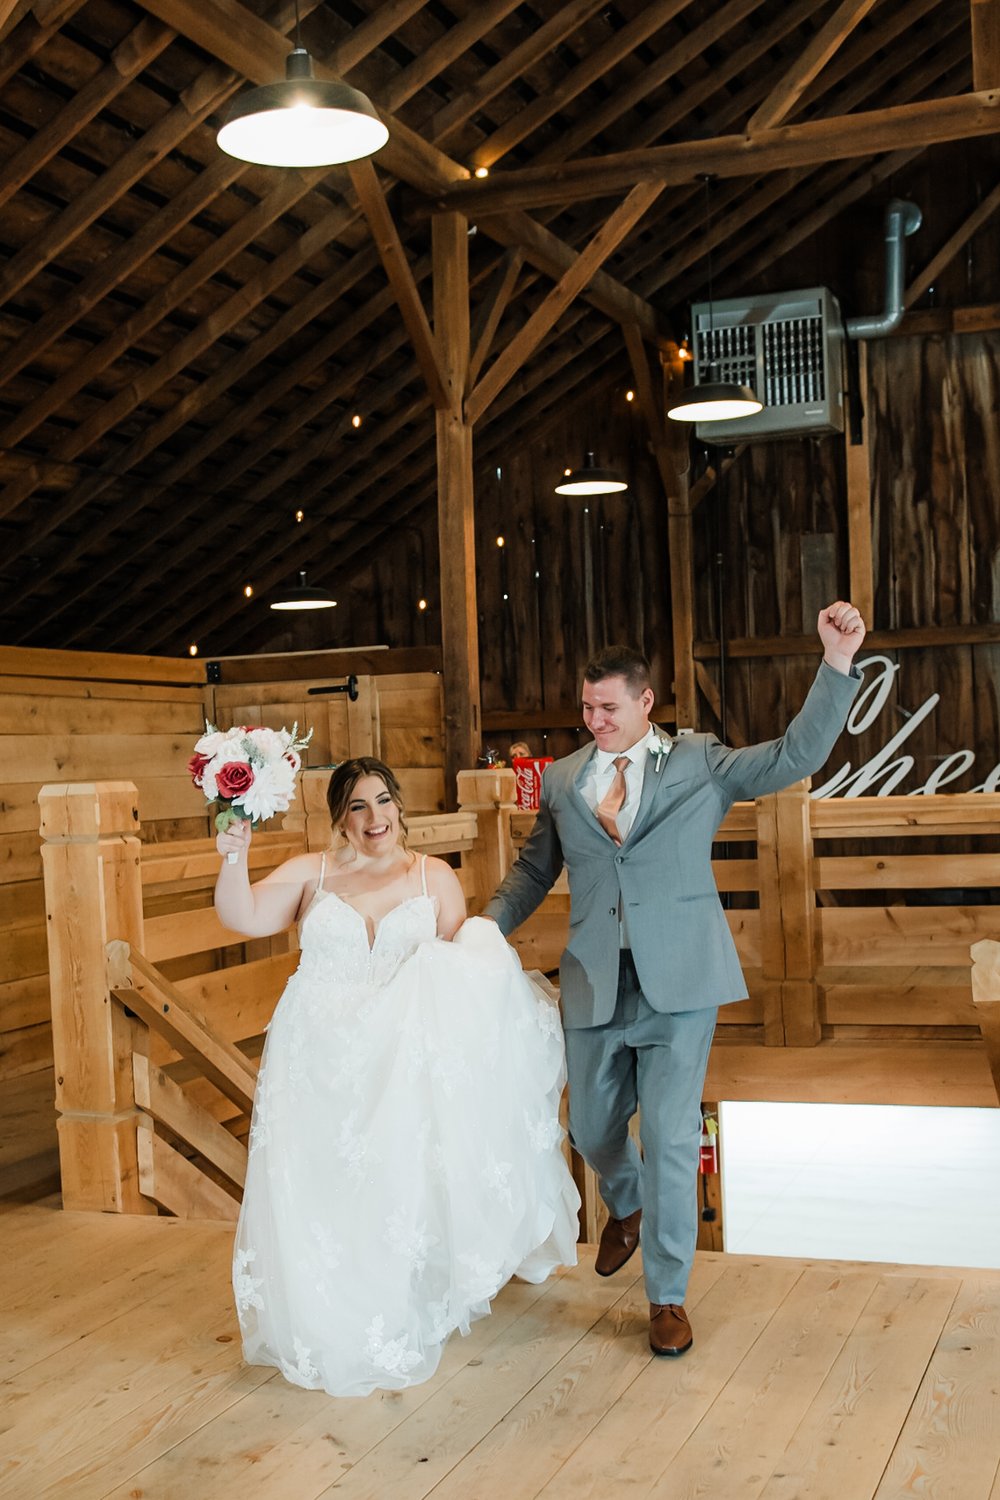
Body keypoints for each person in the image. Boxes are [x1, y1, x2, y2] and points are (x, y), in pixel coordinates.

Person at [483, 602, 867, 1358]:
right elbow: (534, 869)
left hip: (682, 981)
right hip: (595, 981)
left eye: (608, 707)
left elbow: (795, 753)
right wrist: (481, 927)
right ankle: (622, 1203)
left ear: (644, 701)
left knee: (669, 1134)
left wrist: (836, 663)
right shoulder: (561, 782)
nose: (594, 720)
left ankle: (667, 1298)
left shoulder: (700, 763)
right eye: (587, 707)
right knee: (588, 1129)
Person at [215, 756, 580, 1397]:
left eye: (382, 801)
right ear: (340, 818)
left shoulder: (431, 877)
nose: (374, 817)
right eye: (358, 806)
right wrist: (233, 858)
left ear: (399, 808)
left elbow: (456, 974)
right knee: (323, 1185)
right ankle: (327, 1311)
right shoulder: (313, 873)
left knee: (394, 1181)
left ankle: (398, 1302)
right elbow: (242, 916)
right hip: (319, 1056)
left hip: (399, 1057)